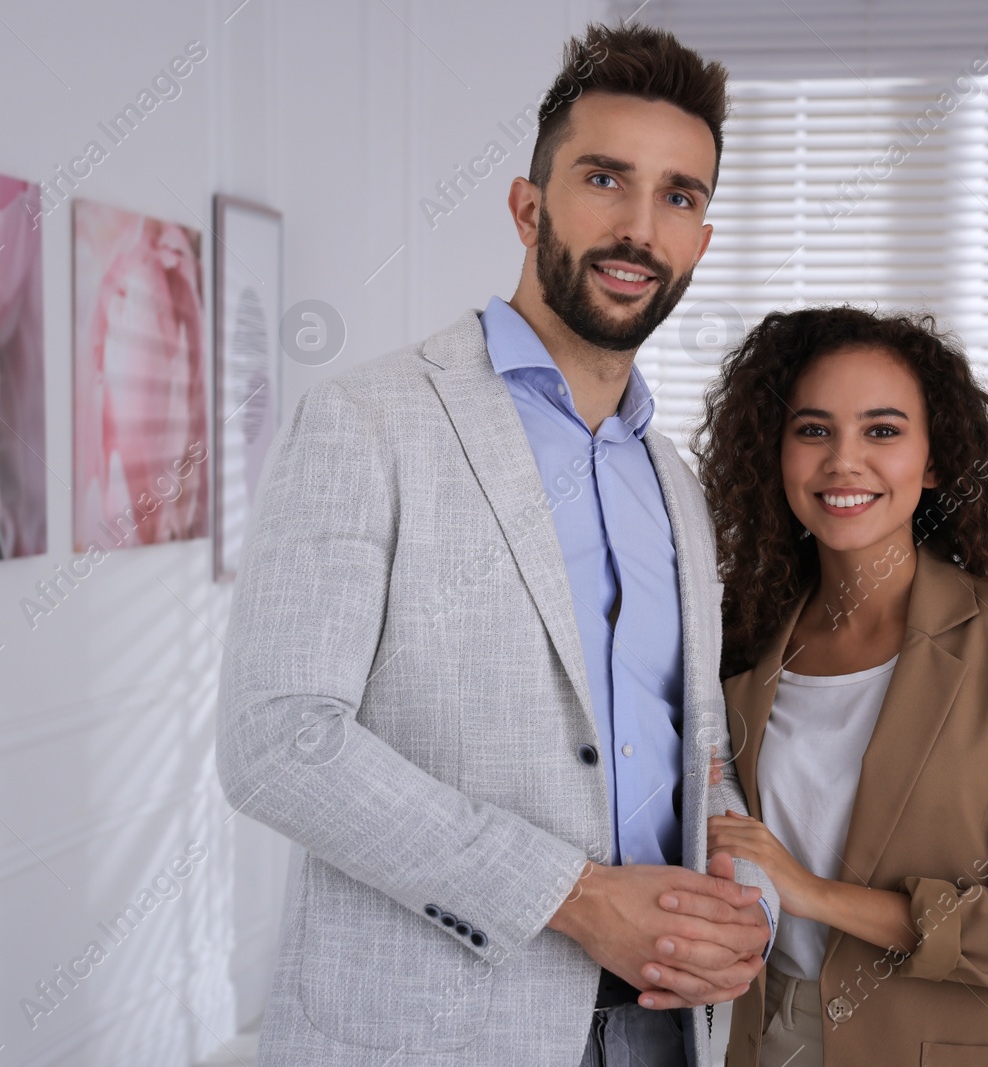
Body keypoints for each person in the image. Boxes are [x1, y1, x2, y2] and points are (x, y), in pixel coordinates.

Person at [216, 23, 779, 1067]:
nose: (639, 228)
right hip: (430, 1029)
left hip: (664, 1028)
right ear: (528, 207)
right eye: (604, 178)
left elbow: (698, 751)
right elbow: (278, 740)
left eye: (679, 196)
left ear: (701, 236)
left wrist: (749, 903)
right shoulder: (369, 421)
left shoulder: (678, 485)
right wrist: (571, 897)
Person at [693, 307, 988, 1066]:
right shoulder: (739, 649)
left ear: (934, 460)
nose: (843, 462)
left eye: (882, 431)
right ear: (775, 454)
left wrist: (811, 890)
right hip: (766, 1037)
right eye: (813, 430)